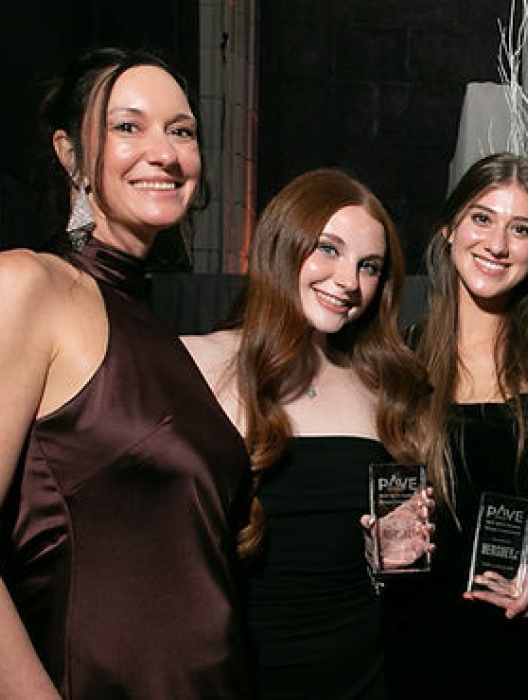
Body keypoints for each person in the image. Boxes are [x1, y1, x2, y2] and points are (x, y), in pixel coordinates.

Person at [0, 47, 252, 698]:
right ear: (69, 153)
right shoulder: (24, 286)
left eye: (182, 130)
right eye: (128, 126)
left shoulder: (154, 330)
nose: (164, 151)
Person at [183, 168, 428, 699]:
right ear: (281, 242)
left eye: (369, 267)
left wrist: (388, 551)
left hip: (359, 676)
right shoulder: (194, 365)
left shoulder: (379, 386)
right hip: (232, 678)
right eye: (328, 249)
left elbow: (379, 569)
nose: (348, 281)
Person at [381, 153, 528, 699]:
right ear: (449, 229)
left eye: (519, 229)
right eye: (481, 219)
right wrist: (376, 541)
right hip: (420, 644)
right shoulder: (399, 360)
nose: (496, 244)